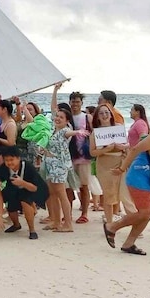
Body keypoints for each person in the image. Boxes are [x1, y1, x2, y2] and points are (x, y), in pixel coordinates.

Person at [102, 109, 150, 255]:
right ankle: (112, 227)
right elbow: (134, 150)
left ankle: (129, 244)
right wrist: (121, 169)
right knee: (145, 212)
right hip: (138, 177)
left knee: (148, 214)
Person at [52, 84, 92, 224]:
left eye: (78, 101)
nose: (75, 104)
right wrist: (55, 90)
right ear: (69, 102)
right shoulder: (66, 117)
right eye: (73, 101)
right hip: (67, 158)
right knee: (67, 187)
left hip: (82, 157)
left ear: (81, 103)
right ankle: (68, 213)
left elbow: (94, 134)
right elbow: (54, 109)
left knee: (84, 186)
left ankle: (84, 213)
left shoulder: (87, 117)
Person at [43, 109, 88, 233]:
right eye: (57, 116)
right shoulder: (53, 130)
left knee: (61, 194)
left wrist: (78, 132)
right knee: (52, 194)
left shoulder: (64, 130)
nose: (57, 118)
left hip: (59, 166)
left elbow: (69, 133)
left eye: (61, 117)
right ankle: (56, 222)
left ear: (67, 121)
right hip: (50, 165)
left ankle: (68, 224)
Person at [0, 147, 49, 239]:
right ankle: (16, 225)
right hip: (14, 188)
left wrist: (22, 183)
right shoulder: (4, 167)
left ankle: (32, 230)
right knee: (10, 204)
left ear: (18, 158)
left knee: (25, 202)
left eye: (12, 160)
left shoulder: (28, 167)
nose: (9, 162)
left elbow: (35, 188)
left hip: (32, 189)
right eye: (6, 160)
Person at [90, 103, 127, 222]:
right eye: (101, 113)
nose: (104, 115)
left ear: (111, 114)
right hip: (104, 164)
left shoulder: (118, 127)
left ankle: (133, 222)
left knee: (125, 193)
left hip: (120, 162)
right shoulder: (95, 133)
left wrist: (122, 147)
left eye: (107, 112)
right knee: (108, 194)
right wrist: (106, 149)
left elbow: (127, 145)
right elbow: (92, 153)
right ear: (97, 117)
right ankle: (110, 223)